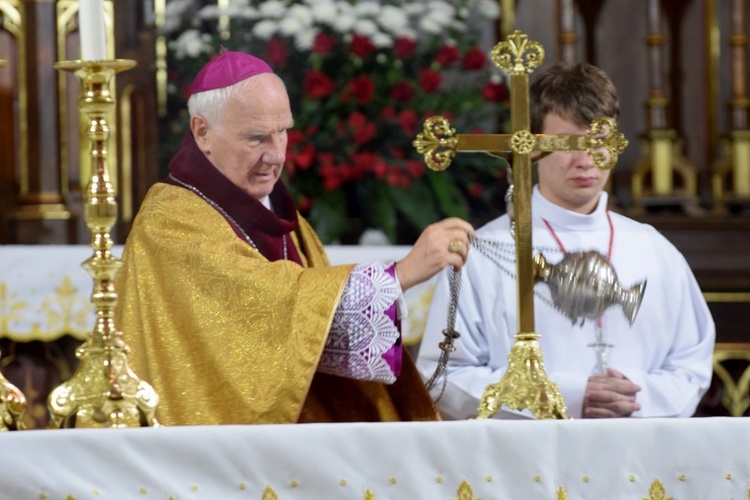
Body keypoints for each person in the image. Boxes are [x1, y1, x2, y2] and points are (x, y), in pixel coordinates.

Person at [114, 50, 474, 426]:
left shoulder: (282, 214)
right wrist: (400, 274)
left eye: (283, 131)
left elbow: (312, 335)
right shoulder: (170, 218)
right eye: (256, 138)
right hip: (206, 435)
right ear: (203, 131)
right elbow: (258, 304)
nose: (276, 155)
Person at [417, 62, 715, 420]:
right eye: (567, 143)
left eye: (599, 141)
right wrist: (565, 397)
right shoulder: (480, 254)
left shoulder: (654, 250)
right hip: (528, 464)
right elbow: (446, 378)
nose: (586, 160)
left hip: (637, 458)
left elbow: (691, 366)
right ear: (533, 148)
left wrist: (633, 396)